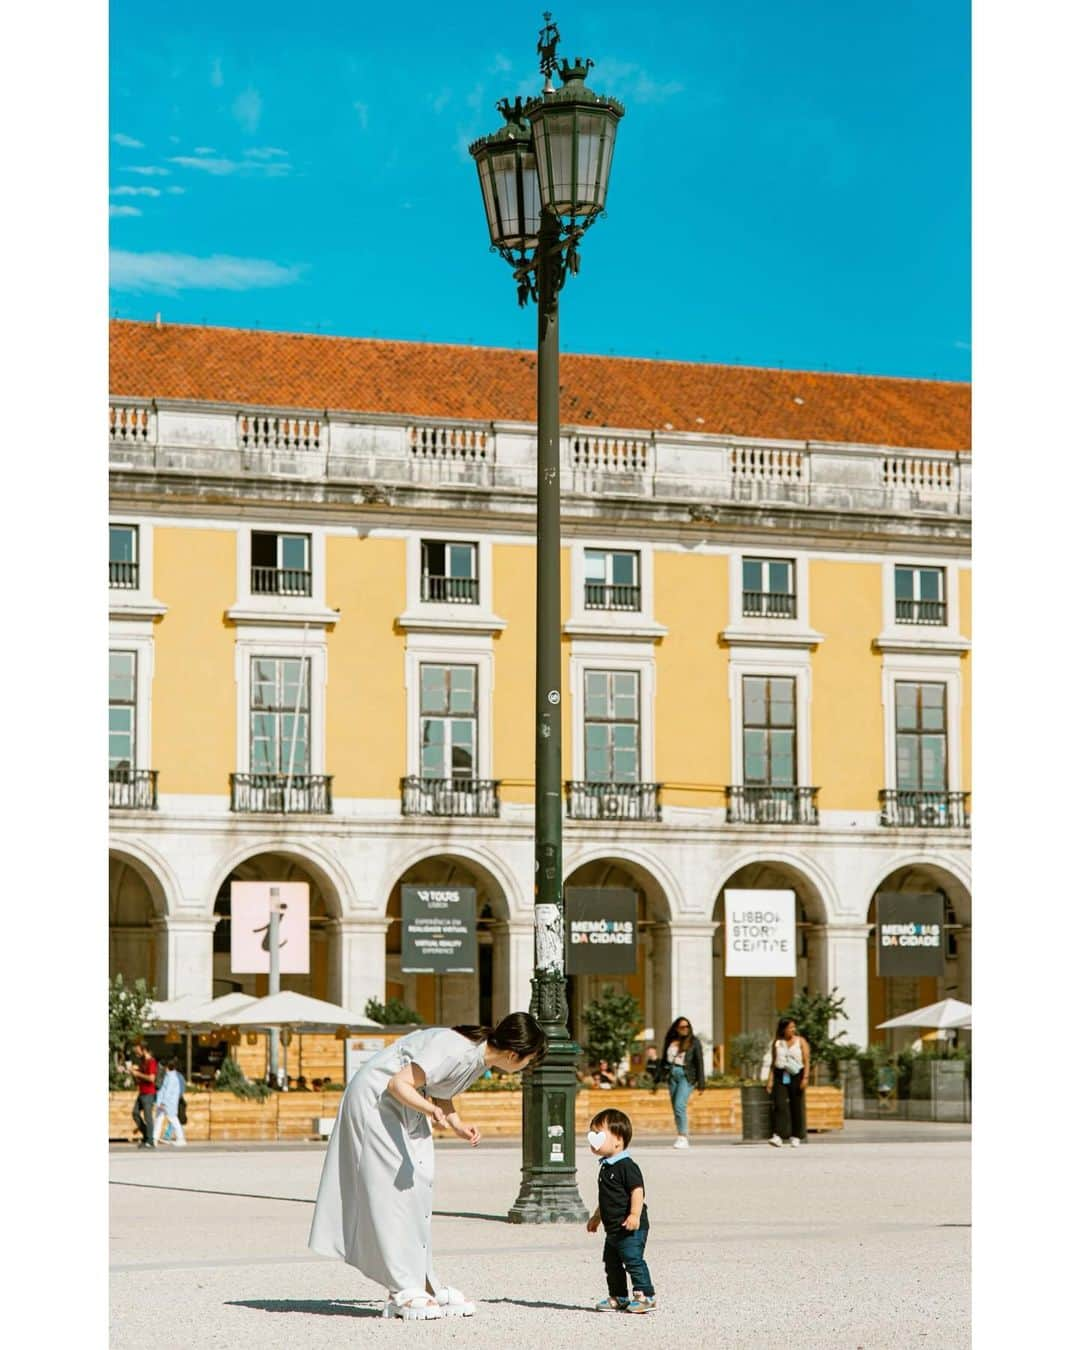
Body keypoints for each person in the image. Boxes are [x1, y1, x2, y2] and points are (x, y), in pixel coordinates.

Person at [309, 1011, 546, 1321]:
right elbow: (398, 1084)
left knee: (419, 1183)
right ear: (515, 1055)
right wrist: (430, 1109)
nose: (527, 1066)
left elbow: (440, 1090)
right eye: (529, 1060)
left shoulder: (478, 1057)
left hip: (402, 1104)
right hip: (375, 1101)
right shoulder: (456, 1048)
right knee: (394, 1191)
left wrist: (457, 1124)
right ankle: (401, 1289)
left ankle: (422, 1281)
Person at [585, 1108, 656, 1314]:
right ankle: (619, 1296)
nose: (593, 1140)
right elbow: (606, 1198)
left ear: (618, 1139)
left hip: (631, 1226)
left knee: (633, 1260)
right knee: (612, 1263)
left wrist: (634, 1215)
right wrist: (597, 1217)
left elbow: (637, 1191)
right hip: (613, 1228)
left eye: (598, 1134)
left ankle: (645, 1295)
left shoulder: (627, 1165)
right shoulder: (606, 1167)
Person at [659, 1016, 707, 1148]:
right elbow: (664, 1059)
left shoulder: (694, 1042)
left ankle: (683, 1136)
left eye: (687, 1027)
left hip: (686, 1075)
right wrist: (660, 1075)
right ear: (676, 1028)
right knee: (675, 1106)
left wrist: (702, 1082)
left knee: (680, 1104)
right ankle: (680, 1135)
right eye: (682, 1027)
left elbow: (699, 1062)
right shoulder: (670, 1040)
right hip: (672, 1075)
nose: (685, 1029)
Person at [767, 1016, 811, 1148]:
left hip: (797, 1075)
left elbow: (807, 1060)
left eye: (794, 1027)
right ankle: (778, 1135)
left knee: (796, 1105)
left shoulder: (800, 1041)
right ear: (783, 1029)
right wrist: (770, 1080)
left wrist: (805, 1078)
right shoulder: (777, 1043)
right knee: (780, 1105)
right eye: (790, 1027)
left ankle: (796, 1135)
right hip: (781, 1074)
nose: (793, 1029)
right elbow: (773, 1063)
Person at [130, 1041, 158, 1149]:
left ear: (144, 1050)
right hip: (142, 1092)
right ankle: (147, 1135)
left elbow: (151, 1078)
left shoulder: (151, 1062)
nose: (136, 1054)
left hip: (149, 1093)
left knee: (148, 1117)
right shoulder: (142, 1062)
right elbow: (139, 1080)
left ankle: (150, 1140)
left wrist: (138, 1073)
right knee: (135, 1113)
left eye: (138, 1051)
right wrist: (134, 1074)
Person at [153, 1057, 187, 1148]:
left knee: (173, 1120)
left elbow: (167, 1091)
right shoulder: (169, 1076)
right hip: (164, 1103)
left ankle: (181, 1138)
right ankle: (154, 1138)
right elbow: (163, 1090)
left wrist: (163, 1102)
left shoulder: (172, 1078)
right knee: (159, 1119)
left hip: (168, 1104)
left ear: (167, 1067)